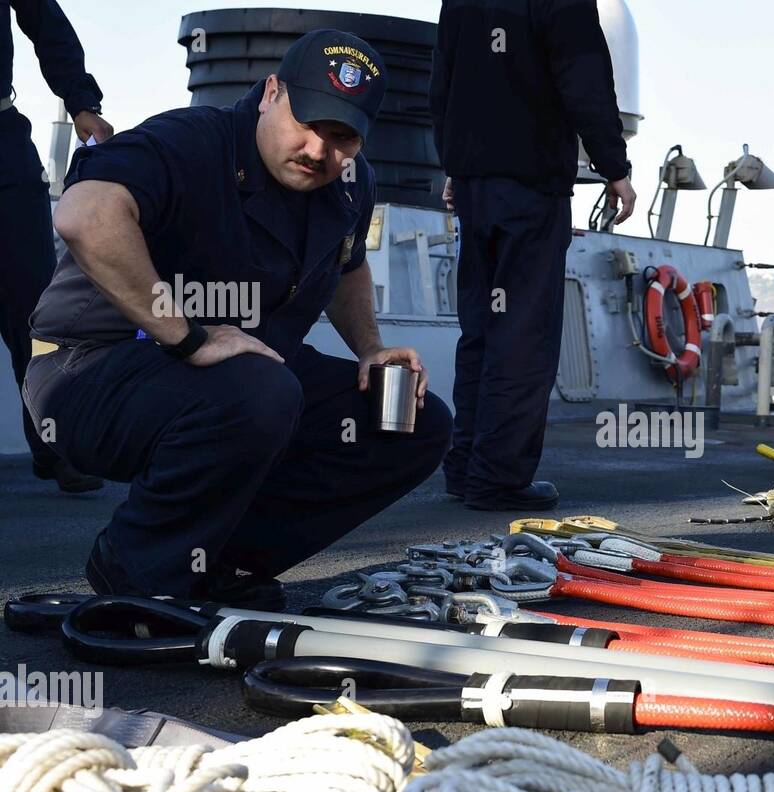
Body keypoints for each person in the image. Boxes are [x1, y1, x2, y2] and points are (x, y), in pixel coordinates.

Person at [23, 29, 451, 609]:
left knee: (410, 421)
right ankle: (136, 573)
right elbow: (85, 214)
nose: (319, 152)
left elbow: (348, 261)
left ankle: (216, 561)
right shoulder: (189, 140)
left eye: (342, 137)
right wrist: (187, 335)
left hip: (238, 372)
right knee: (259, 390)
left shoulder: (349, 183)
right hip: (92, 368)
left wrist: (371, 349)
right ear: (272, 92)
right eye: (307, 123)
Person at [429, 0, 635, 511]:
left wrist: (456, 164)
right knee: (524, 332)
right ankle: (496, 478)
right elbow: (583, 79)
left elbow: (444, 81)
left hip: (475, 184)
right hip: (530, 186)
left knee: (480, 328)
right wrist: (615, 167)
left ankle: (466, 468)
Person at [2, 0, 111, 492]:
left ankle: (52, 445)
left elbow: (47, 24)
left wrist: (81, 102)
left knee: (37, 311)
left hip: (3, 146)